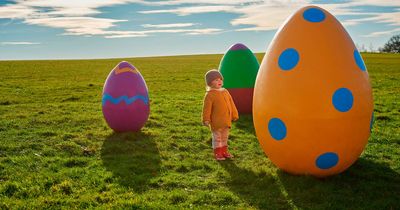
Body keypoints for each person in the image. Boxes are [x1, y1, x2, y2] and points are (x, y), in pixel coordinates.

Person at [202, 69, 239, 160]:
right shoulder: (210, 95)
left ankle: (224, 151)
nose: (219, 81)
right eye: (216, 80)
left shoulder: (225, 91)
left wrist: (234, 114)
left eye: (220, 79)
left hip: (226, 121)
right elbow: (206, 108)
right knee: (217, 138)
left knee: (224, 138)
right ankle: (218, 153)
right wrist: (206, 119)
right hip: (216, 122)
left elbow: (231, 104)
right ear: (210, 83)